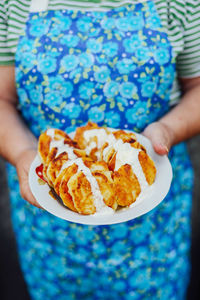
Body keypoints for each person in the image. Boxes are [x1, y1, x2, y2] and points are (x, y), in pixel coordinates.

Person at [0, 0, 200, 299]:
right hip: (48, 220)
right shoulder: (14, 5)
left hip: (153, 226)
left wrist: (168, 130)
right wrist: (22, 153)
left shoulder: (180, 4)